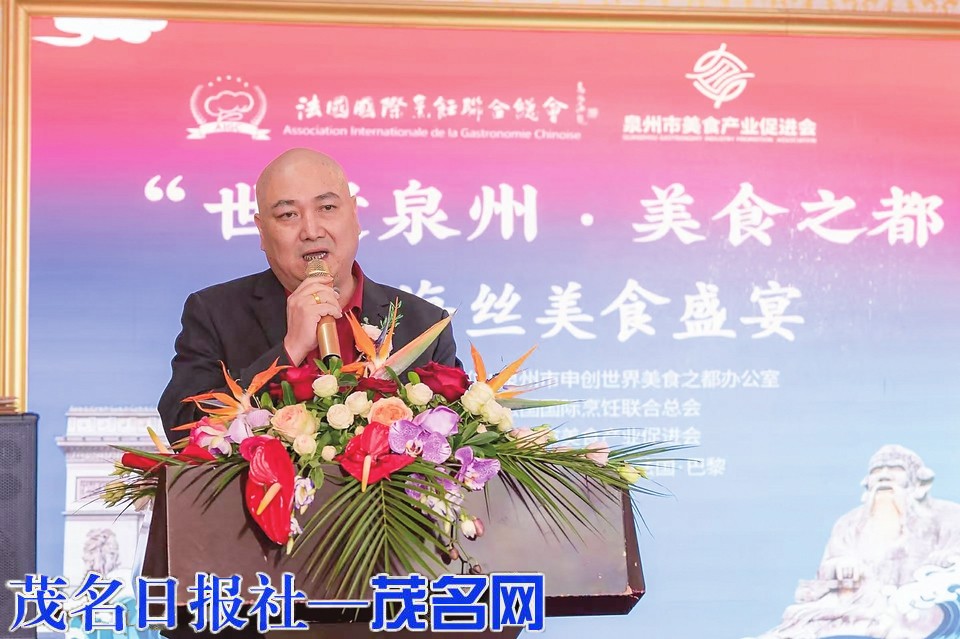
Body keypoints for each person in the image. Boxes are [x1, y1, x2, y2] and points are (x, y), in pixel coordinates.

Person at [158, 148, 459, 443]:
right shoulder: (214, 313)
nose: (311, 231)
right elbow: (183, 428)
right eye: (288, 214)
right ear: (262, 231)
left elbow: (457, 438)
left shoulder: (425, 325)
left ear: (354, 215)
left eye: (327, 208)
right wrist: (289, 350)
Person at [756, 444, 960, 639]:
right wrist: (840, 565)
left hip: (919, 605)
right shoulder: (849, 523)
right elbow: (826, 572)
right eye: (877, 470)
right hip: (860, 602)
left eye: (895, 468)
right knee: (801, 618)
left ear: (920, 482)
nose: (884, 475)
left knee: (907, 618)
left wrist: (945, 561)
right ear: (867, 483)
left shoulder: (949, 514)